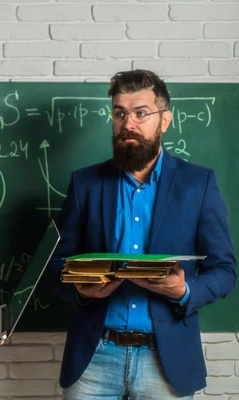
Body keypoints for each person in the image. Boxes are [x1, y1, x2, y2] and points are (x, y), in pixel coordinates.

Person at [46, 69, 236, 399]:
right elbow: (54, 264)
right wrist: (81, 290)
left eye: (141, 113)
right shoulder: (86, 184)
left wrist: (184, 290)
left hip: (166, 360)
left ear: (165, 120)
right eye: (120, 113)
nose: (128, 124)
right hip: (94, 357)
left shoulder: (199, 184)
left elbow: (225, 271)